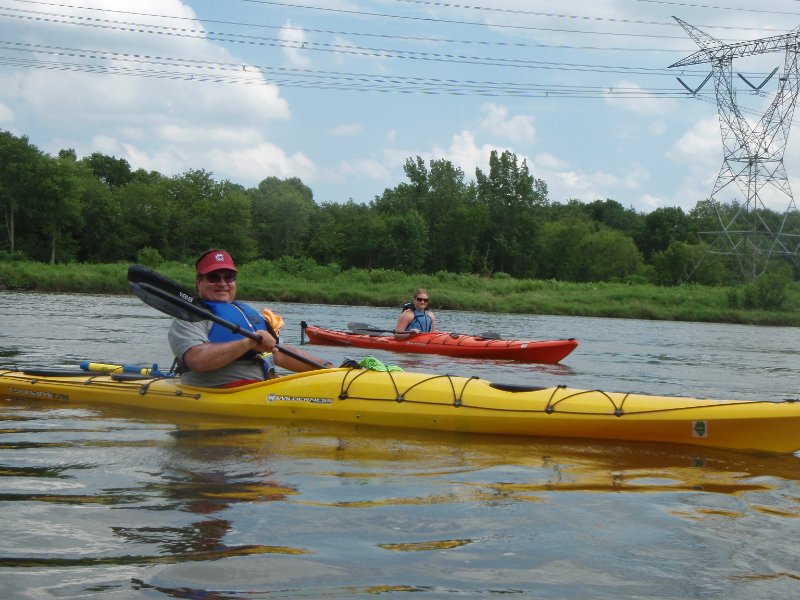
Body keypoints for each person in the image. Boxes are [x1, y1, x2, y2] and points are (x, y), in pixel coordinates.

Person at [168, 249, 333, 387]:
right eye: (214, 278)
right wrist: (248, 343)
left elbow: (280, 353)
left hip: (262, 387)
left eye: (229, 277)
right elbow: (198, 360)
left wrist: (329, 369)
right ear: (198, 282)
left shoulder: (248, 314)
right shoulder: (189, 317)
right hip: (220, 392)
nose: (223, 283)